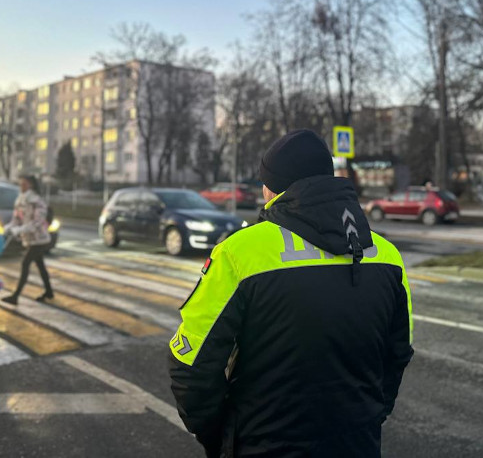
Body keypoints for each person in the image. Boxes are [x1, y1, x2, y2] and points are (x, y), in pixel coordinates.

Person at [169, 129, 413, 458]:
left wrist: (222, 436)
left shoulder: (239, 253)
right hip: (358, 445)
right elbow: (396, 356)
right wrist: (364, 421)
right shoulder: (387, 257)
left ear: (273, 188)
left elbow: (191, 366)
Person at [1, 174, 53, 304]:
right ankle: (49, 292)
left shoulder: (37, 202)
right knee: (40, 266)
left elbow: (37, 222)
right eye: (20, 184)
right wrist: (9, 227)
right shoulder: (20, 200)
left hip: (40, 240)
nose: (21, 187)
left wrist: (20, 229)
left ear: (31, 185)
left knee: (25, 264)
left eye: (24, 184)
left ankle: (15, 296)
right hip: (30, 239)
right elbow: (17, 219)